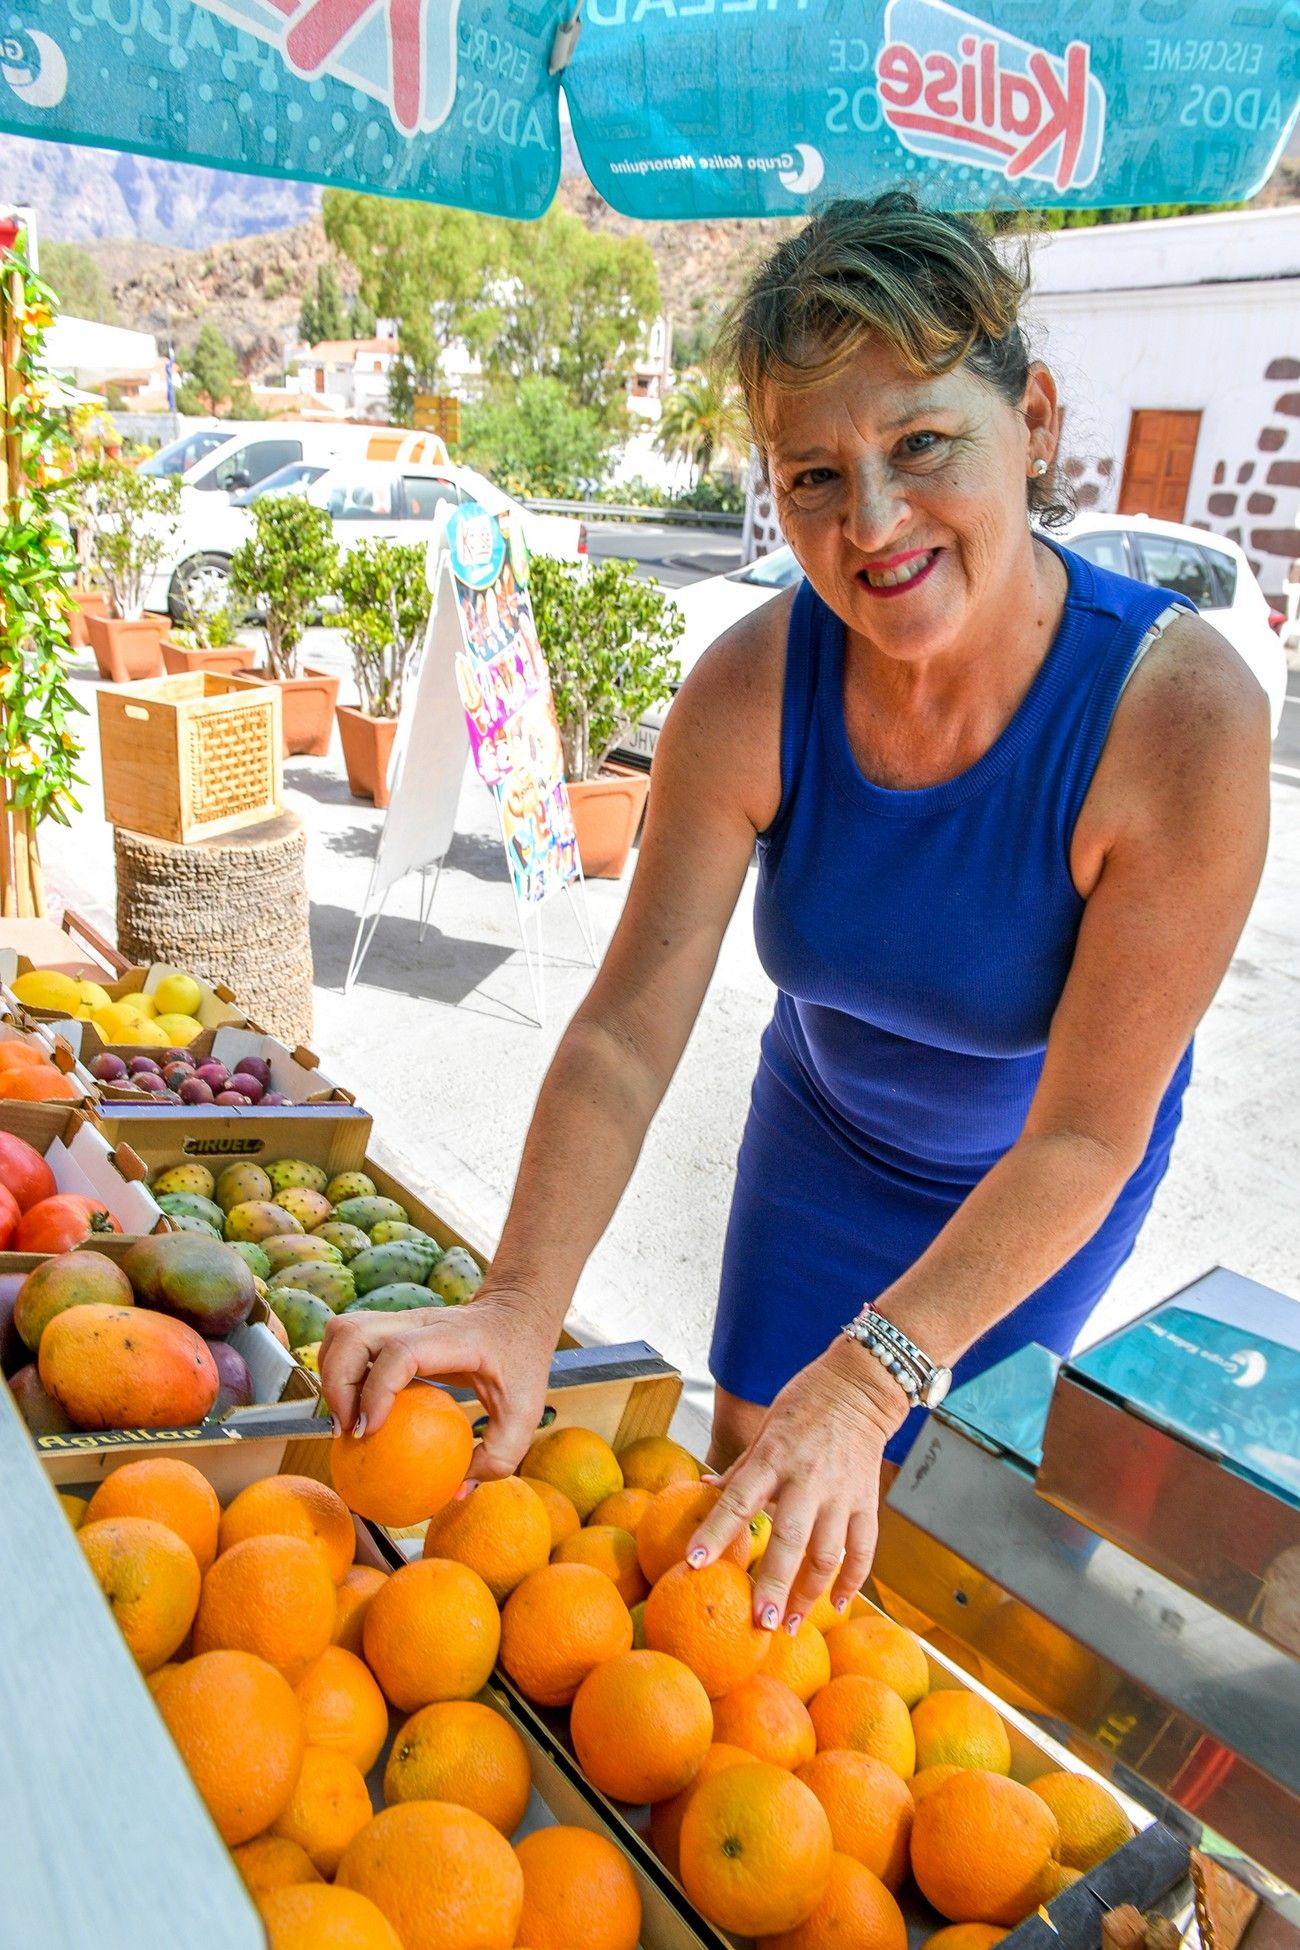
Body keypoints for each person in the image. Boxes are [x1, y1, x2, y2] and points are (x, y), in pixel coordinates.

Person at [323, 193, 1269, 1637]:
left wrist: (876, 1365)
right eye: (813, 475)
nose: (871, 524)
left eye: (923, 444)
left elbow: (1088, 1130)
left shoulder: (1179, 722)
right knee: (742, 1533)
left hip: (1041, 1183)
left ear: (1038, 419)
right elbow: (631, 1026)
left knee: (928, 1552)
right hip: (822, 1138)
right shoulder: (754, 687)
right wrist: (520, 1297)